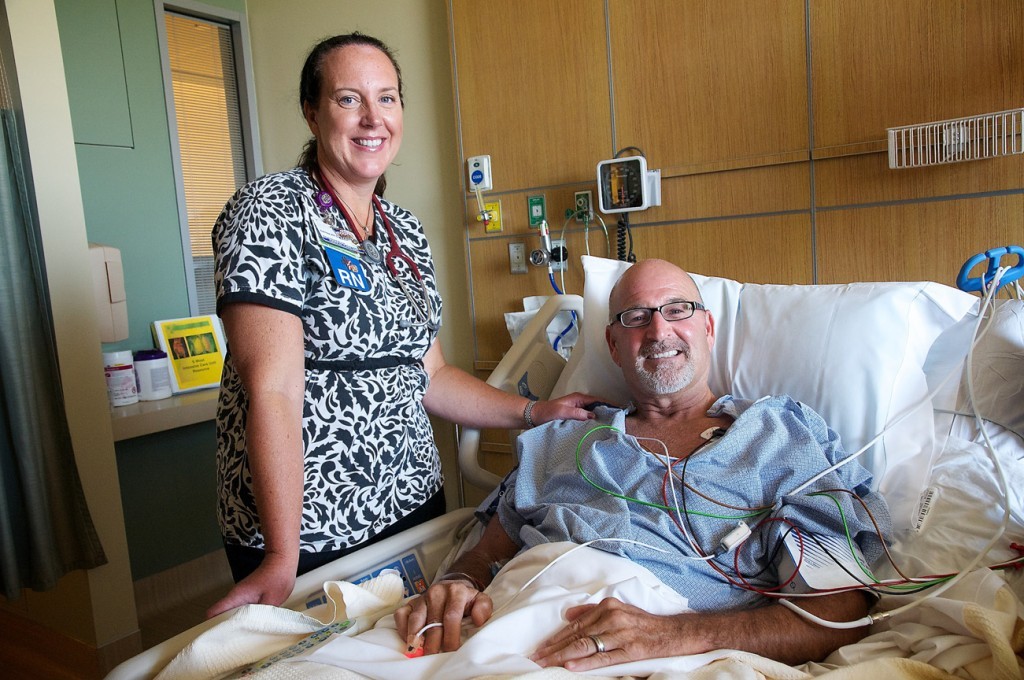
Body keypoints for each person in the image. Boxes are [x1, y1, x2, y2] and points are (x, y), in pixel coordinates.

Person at [207, 33, 595, 618]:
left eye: (386, 98)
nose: (373, 118)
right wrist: (282, 556)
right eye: (348, 99)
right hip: (311, 527)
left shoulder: (403, 232)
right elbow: (274, 389)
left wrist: (534, 412)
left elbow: (429, 374)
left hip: (410, 505)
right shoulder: (270, 210)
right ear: (311, 113)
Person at [395, 259, 892, 670]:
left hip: (649, 650)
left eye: (677, 310)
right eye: (635, 317)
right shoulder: (564, 437)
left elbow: (838, 609)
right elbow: (483, 554)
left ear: (707, 328)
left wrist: (671, 635)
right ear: (613, 345)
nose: (658, 330)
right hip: (505, 624)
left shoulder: (777, 436)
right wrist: (457, 585)